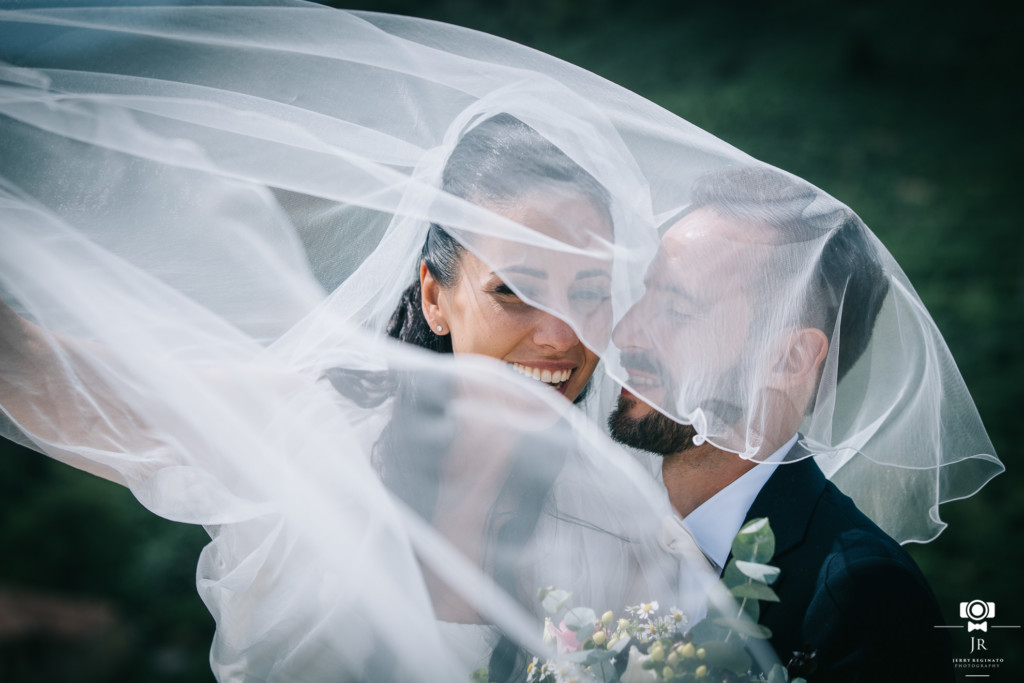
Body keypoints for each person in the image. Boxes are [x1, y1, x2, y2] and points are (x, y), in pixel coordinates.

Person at [0, 3, 1001, 682]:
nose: (562, 335)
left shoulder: (612, 524)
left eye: (594, 291)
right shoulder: (305, 426)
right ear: (433, 297)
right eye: (515, 291)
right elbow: (41, 370)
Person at [608, 166, 956, 680]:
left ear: (791, 359)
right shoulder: (587, 536)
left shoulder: (863, 594)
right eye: (644, 294)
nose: (624, 333)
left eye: (677, 310)